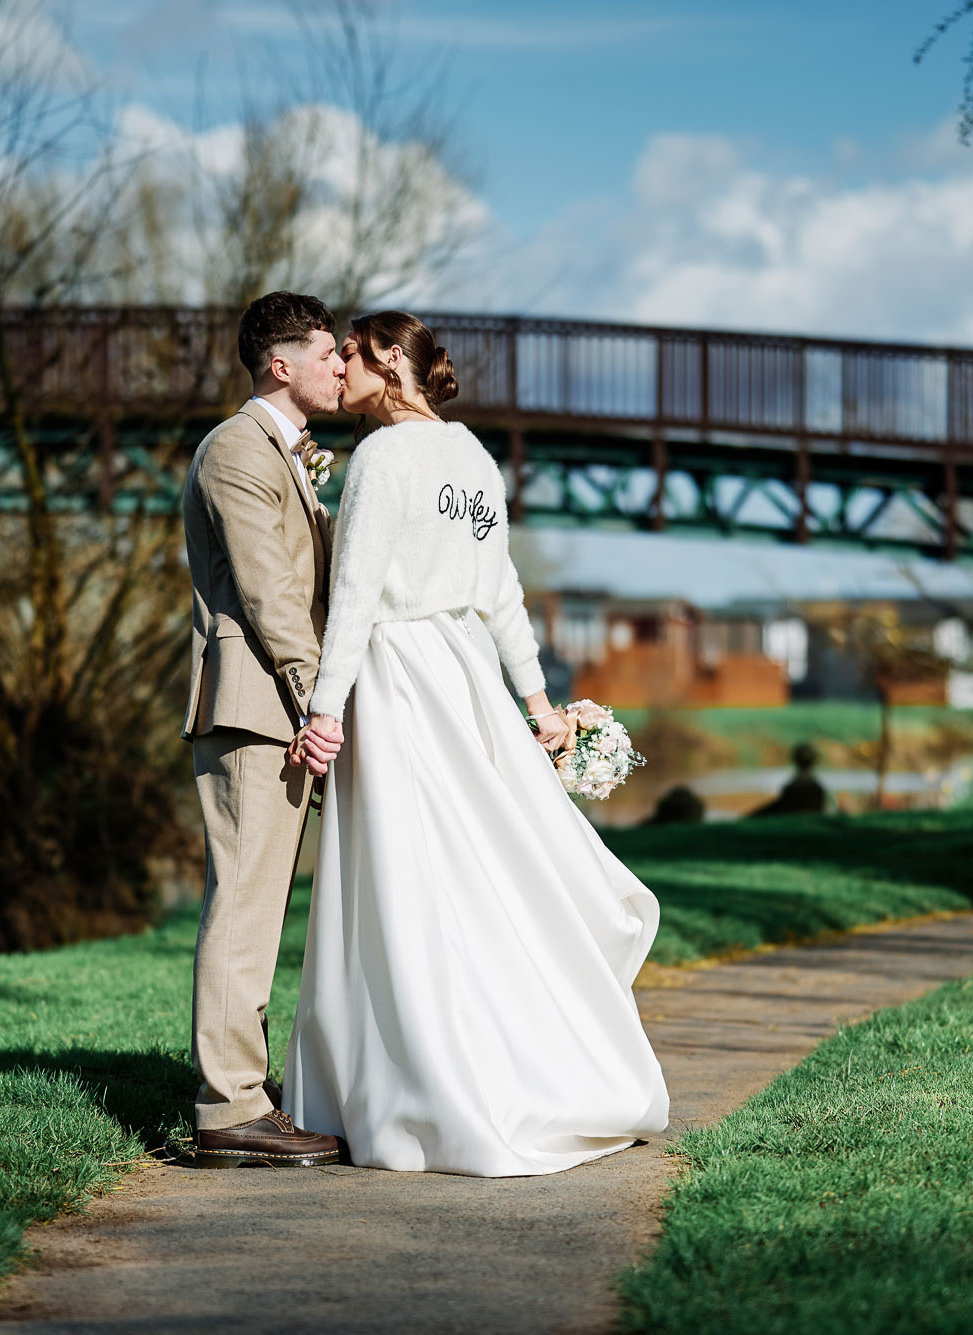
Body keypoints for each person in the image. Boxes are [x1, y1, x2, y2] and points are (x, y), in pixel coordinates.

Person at [282, 311, 670, 1176]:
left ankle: (418, 1077)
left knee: (406, 873)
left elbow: (355, 595)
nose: (340, 368)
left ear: (390, 359)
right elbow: (503, 595)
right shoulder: (475, 459)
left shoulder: (381, 458)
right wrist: (536, 702)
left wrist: (325, 709)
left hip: (396, 676)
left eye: (352, 354)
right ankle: (514, 1062)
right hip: (464, 673)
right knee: (478, 866)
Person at [179, 291, 350, 1169]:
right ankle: (229, 1109)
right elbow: (269, 592)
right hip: (254, 708)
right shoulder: (237, 450)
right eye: (327, 353)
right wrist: (319, 701)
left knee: (259, 905)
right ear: (280, 365)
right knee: (243, 903)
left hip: (273, 707)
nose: (342, 365)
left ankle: (246, 1088)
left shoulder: (284, 452)